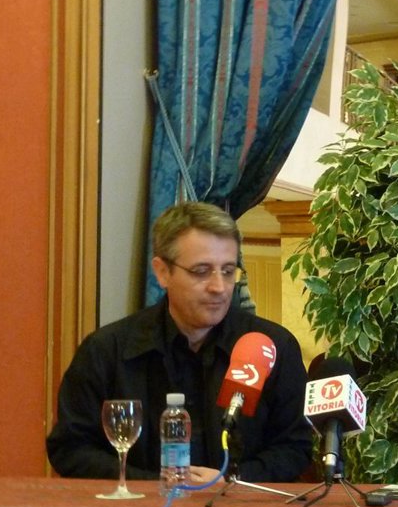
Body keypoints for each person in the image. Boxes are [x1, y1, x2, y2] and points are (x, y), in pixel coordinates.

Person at [47, 202, 312, 484]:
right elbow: (70, 449)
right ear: (162, 272)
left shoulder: (273, 347)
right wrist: (156, 485)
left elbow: (295, 447)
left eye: (228, 271)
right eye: (201, 271)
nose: (219, 287)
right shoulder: (107, 350)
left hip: (240, 506)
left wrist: (231, 480)